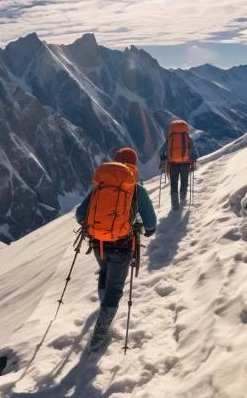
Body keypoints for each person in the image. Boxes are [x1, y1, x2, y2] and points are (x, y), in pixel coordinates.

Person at [75, 147, 157, 351]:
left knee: (104, 271)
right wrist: (146, 230)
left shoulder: (101, 186)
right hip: (123, 245)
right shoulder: (137, 190)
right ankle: (100, 333)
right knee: (115, 289)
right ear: (135, 166)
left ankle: (104, 305)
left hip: (98, 243)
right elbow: (151, 223)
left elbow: (79, 214)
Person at [159, 120, 199, 210]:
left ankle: (175, 205)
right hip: (186, 163)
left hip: (173, 164)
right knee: (184, 182)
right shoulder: (188, 138)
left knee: (174, 183)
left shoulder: (170, 138)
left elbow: (161, 151)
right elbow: (194, 152)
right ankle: (183, 200)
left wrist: (163, 157)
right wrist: (193, 159)